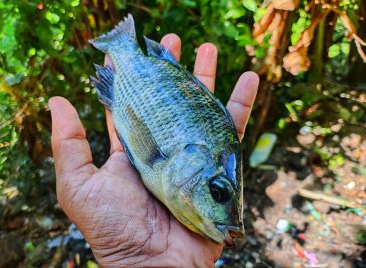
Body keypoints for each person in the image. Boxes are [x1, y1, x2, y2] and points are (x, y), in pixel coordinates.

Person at [49, 33, 259, 268]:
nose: (229, 222)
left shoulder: (173, 172)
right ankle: (120, 40)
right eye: (218, 192)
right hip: (136, 83)